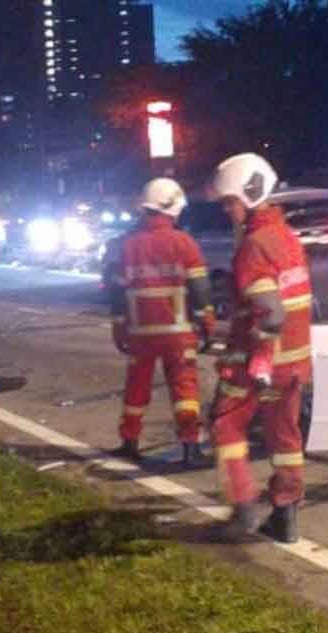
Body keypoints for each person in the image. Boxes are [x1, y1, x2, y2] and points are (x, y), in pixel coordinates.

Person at [206, 154, 313, 543]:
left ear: (249, 195)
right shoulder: (287, 238)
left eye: (229, 202)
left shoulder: (254, 246)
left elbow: (271, 312)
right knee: (285, 438)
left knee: (225, 424)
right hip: (295, 364)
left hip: (258, 363)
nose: (226, 210)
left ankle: (243, 507)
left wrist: (261, 359)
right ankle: (285, 517)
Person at [109, 178, 215, 464]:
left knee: (137, 386)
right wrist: (206, 321)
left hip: (140, 332)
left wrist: (118, 326)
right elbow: (200, 288)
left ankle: (129, 442)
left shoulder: (129, 245)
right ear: (172, 208)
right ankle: (190, 445)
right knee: (184, 387)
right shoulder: (184, 243)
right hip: (177, 332)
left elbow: (117, 291)